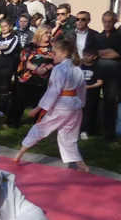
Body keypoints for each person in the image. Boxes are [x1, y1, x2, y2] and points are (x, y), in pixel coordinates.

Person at [13, 36, 89, 172]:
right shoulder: (77, 68)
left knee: (41, 128)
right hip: (75, 107)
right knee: (68, 136)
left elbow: (53, 91)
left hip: (62, 106)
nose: (52, 56)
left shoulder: (59, 69)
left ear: (64, 53)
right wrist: (81, 103)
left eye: (54, 53)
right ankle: (82, 166)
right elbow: (82, 89)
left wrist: (37, 109)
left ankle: (19, 155)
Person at [7, 26, 54, 127]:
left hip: (44, 78)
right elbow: (24, 59)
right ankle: (12, 122)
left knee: (40, 101)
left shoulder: (53, 47)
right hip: (27, 77)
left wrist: (46, 69)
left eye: (49, 33)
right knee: (19, 100)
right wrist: (37, 69)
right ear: (39, 33)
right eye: (46, 33)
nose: (48, 35)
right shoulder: (30, 46)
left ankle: (38, 123)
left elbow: (57, 61)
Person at [93, 11, 121, 140]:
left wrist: (101, 53)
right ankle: (94, 128)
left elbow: (117, 54)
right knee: (94, 101)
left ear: (114, 21)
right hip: (98, 73)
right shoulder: (97, 36)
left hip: (114, 75)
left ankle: (109, 131)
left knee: (110, 102)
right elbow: (93, 54)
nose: (107, 24)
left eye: (110, 21)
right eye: (105, 21)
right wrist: (108, 51)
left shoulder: (120, 36)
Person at [0, 18, 19, 117]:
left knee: (4, 87)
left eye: (5, 26)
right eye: (1, 26)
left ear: (10, 27)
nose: (3, 28)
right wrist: (0, 48)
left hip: (6, 66)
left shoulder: (14, 38)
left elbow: (9, 51)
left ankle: (3, 109)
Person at [79, 49, 102, 139]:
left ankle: (86, 130)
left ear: (94, 57)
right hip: (78, 93)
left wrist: (89, 86)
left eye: (89, 55)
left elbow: (100, 82)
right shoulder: (79, 66)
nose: (86, 57)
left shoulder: (97, 68)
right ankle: (77, 129)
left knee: (88, 113)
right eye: (84, 55)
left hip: (90, 94)